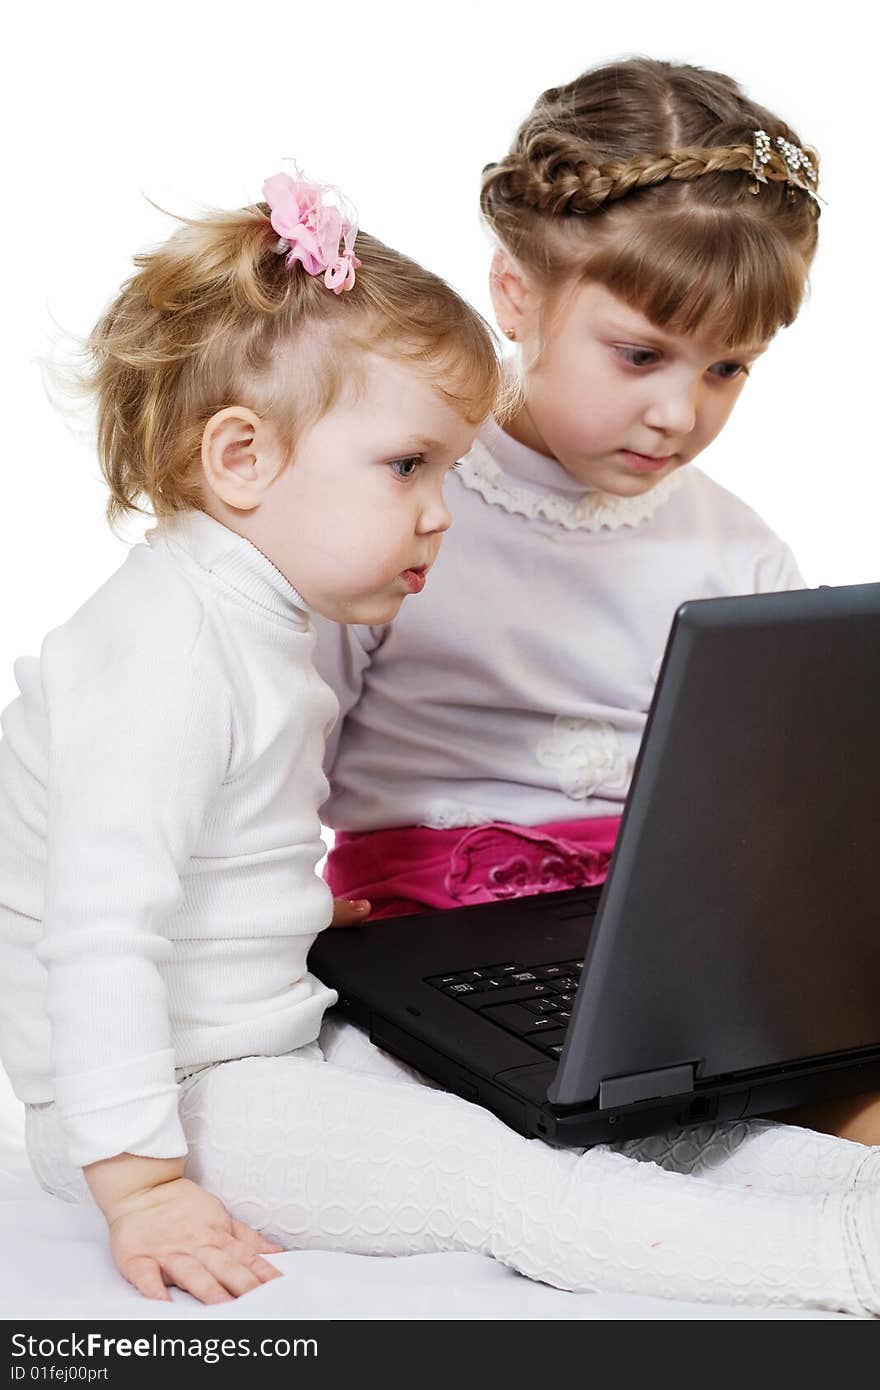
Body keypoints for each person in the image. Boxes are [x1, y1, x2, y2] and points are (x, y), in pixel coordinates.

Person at [1, 161, 878, 1322]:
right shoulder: (160, 650)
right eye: (409, 466)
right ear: (240, 457)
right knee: (500, 1182)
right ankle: (838, 1265)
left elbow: (212, 864)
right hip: (160, 1097)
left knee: (615, 1124)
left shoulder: (255, 620)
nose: (439, 513)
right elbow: (96, 935)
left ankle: (852, 1198)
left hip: (272, 1037)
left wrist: (291, 918)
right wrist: (143, 1184)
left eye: (451, 471)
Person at [315, 57, 880, 1147]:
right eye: (639, 354)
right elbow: (272, 739)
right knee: (465, 1123)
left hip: (651, 957)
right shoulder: (403, 497)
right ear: (517, 298)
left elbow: (767, 818)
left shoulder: (740, 550)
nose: (678, 411)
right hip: (421, 935)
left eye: (727, 369)